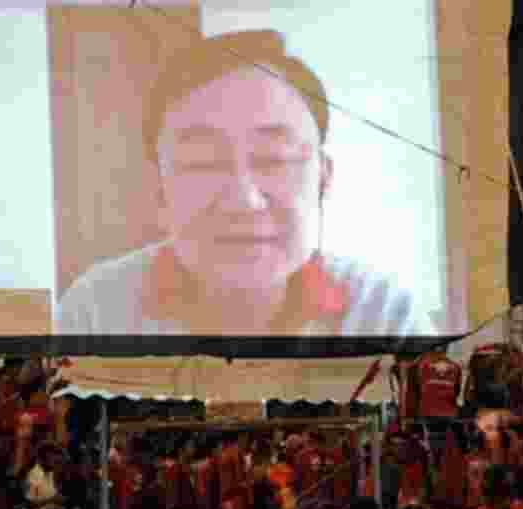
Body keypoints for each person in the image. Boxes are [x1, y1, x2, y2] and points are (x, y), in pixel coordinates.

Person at [56, 30, 434, 337]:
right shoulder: (96, 312)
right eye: (203, 163)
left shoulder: (384, 314)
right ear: (159, 188)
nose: (244, 200)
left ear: (322, 178)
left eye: (274, 159)